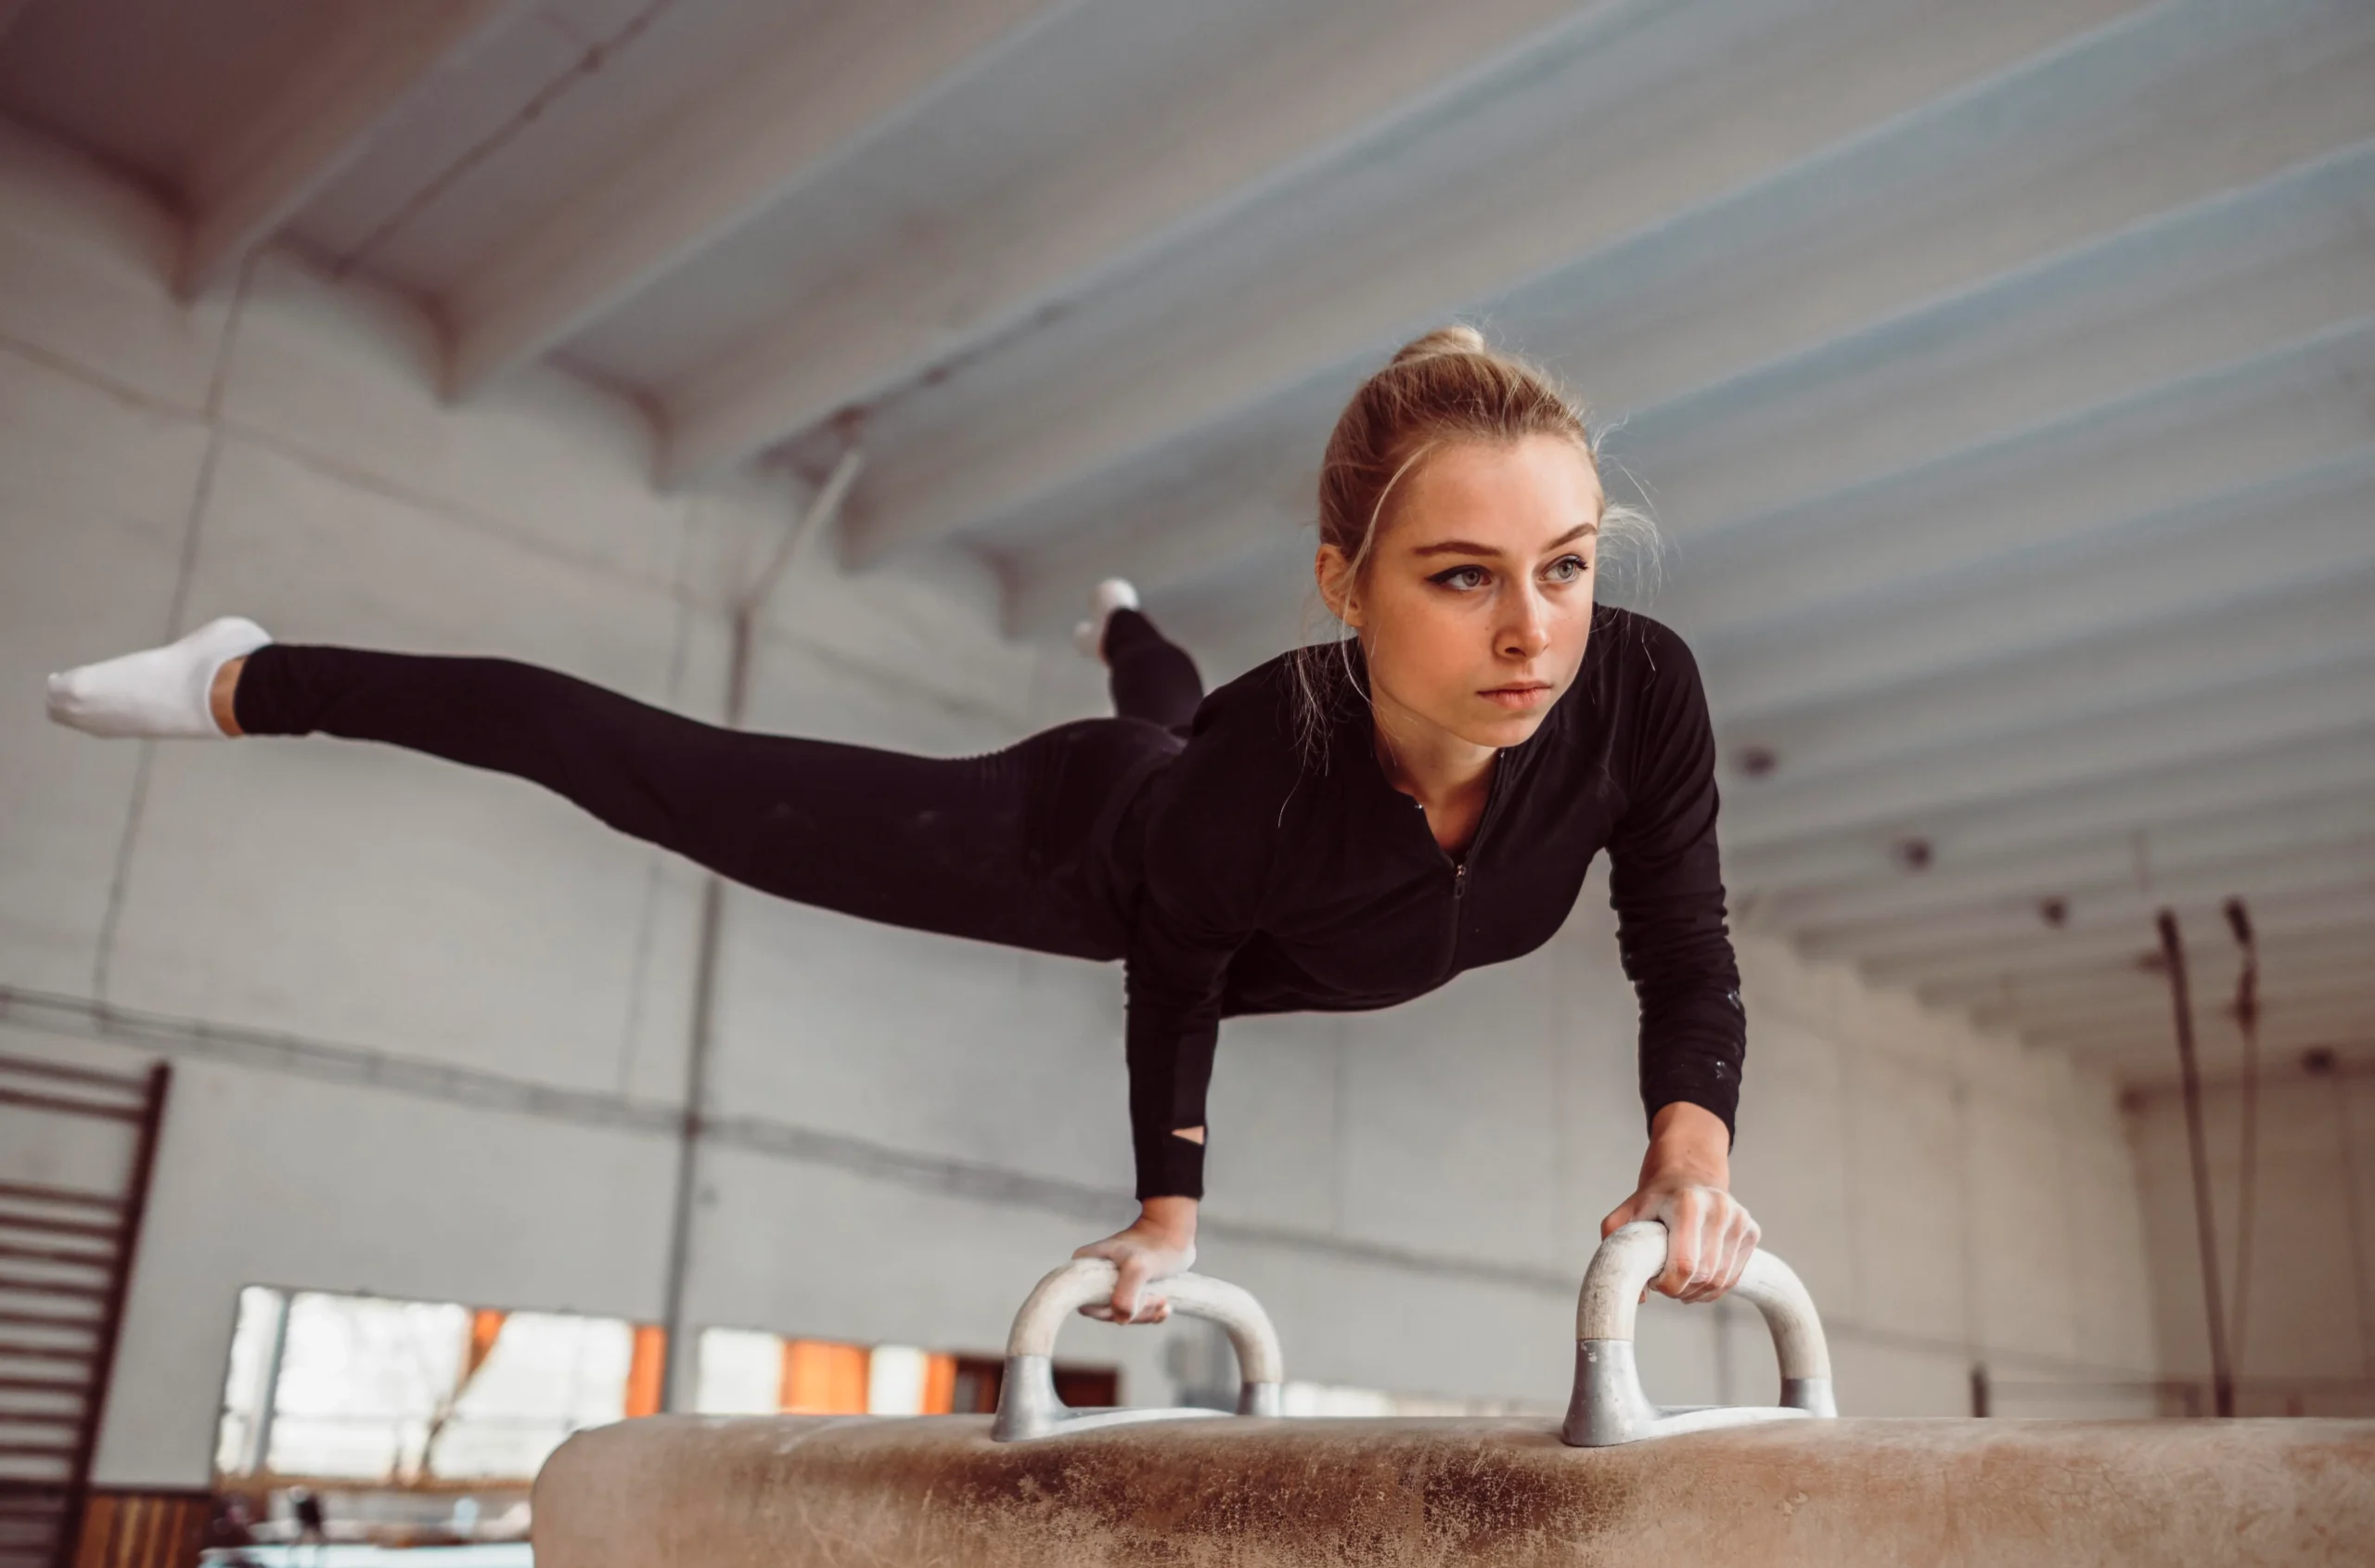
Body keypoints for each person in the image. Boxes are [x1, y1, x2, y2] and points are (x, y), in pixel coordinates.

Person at [46, 326, 1757, 1327]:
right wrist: (1170, 1211)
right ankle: (255, 679)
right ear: (1349, 587)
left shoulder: (1636, 692)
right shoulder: (1264, 782)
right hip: (1097, 839)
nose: (1535, 631)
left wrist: (1692, 1151)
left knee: (1158, 699)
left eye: (1570, 565)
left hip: (1199, 774)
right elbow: (1175, 965)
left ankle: (1120, 630)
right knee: (675, 775)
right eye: (1465, 578)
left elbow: (1682, 937)